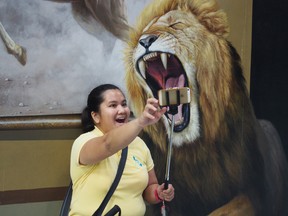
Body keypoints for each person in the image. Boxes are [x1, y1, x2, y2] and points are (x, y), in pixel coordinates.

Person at [69, 84, 175, 216]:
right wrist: (140, 122)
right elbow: (107, 144)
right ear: (96, 116)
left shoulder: (139, 144)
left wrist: (158, 192)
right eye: (113, 105)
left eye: (124, 104)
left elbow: (149, 188)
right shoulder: (84, 141)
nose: (122, 110)